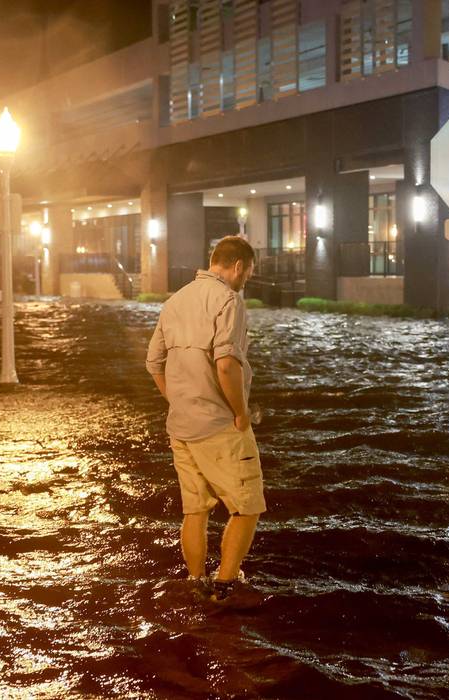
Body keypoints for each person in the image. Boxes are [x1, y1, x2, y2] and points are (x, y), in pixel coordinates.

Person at [145, 235, 264, 602]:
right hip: (218, 426)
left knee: (195, 510)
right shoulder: (229, 300)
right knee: (246, 506)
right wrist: (241, 414)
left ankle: (196, 581)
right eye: (249, 273)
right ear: (238, 266)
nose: (246, 281)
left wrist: (178, 400)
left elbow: (153, 364)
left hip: (181, 426)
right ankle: (226, 585)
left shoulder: (174, 301)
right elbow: (226, 365)